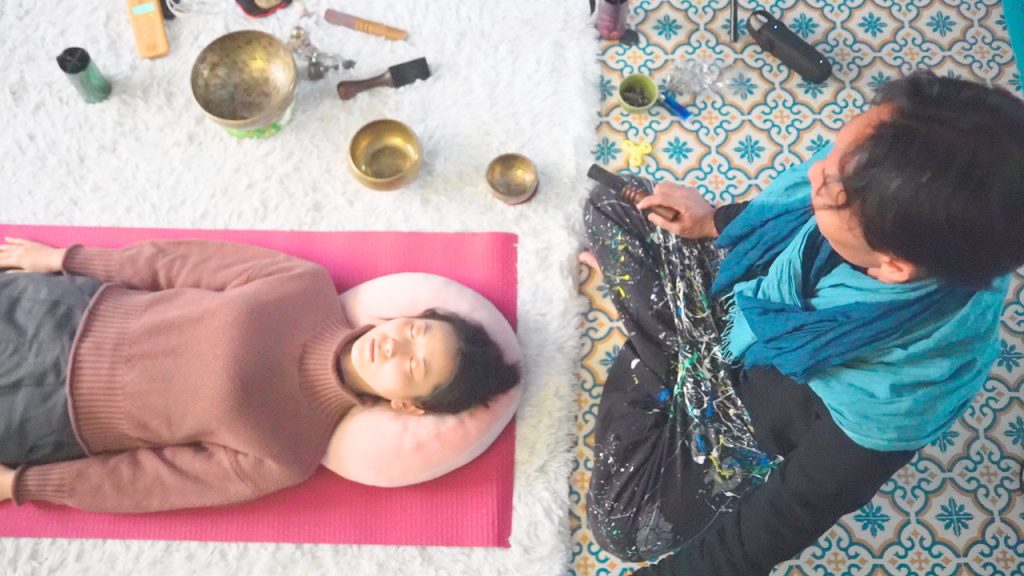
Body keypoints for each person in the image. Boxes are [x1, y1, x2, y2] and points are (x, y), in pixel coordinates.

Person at [580, 70, 1024, 575]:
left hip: (744, 410)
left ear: (892, 266)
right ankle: (669, 349)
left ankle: (665, 351)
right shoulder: (908, 213)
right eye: (834, 154)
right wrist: (713, 221)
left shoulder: (896, 397)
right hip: (746, 305)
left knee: (623, 527)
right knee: (615, 204)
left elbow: (782, 520)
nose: (813, 173)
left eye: (830, 187)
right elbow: (787, 216)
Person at [0, 237, 519, 513]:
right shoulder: (301, 283)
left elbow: (146, 483)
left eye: (414, 364)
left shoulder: (286, 453)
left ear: (408, 407)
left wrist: (24, 484)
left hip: (45, 413)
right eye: (414, 329)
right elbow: (175, 264)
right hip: (63, 311)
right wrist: (65, 258)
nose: (395, 345)